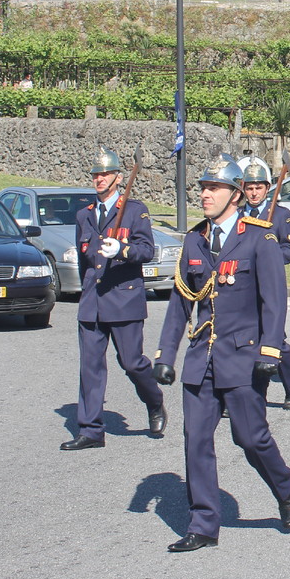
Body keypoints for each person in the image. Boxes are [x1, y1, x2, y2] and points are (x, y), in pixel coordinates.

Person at [153, 153, 290, 552]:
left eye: (213, 188)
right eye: (202, 187)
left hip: (243, 357)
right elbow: (181, 301)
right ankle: (203, 525)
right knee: (195, 439)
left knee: (251, 439)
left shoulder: (259, 237)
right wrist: (166, 354)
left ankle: (284, 489)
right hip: (202, 358)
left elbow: (274, 300)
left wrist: (271, 349)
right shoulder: (195, 239)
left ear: (235, 195)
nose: (204, 194)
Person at [61, 146, 165, 451]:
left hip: (123, 299)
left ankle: (154, 401)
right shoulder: (85, 215)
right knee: (90, 367)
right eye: (96, 174)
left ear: (119, 177)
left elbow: (147, 250)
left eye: (105, 174)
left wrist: (122, 250)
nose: (100, 179)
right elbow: (85, 265)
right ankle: (91, 429)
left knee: (132, 363)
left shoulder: (134, 210)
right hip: (92, 302)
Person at [237, 155, 290, 410]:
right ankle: (246, 393)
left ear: (267, 188)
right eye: (250, 188)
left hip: (268, 287)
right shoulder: (238, 215)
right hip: (242, 287)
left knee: (276, 341)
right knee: (241, 342)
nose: (254, 193)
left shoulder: (280, 214)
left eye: (259, 188)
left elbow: (289, 250)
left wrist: (267, 257)